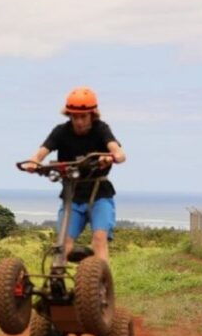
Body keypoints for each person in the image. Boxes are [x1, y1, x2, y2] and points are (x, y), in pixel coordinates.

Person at [22, 87, 126, 261]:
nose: (79, 121)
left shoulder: (101, 129)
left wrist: (110, 157)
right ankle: (58, 282)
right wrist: (34, 162)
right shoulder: (61, 131)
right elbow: (41, 152)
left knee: (99, 240)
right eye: (74, 116)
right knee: (63, 244)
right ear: (69, 115)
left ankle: (101, 285)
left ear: (92, 114)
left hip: (99, 194)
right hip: (72, 195)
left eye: (83, 116)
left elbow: (119, 153)